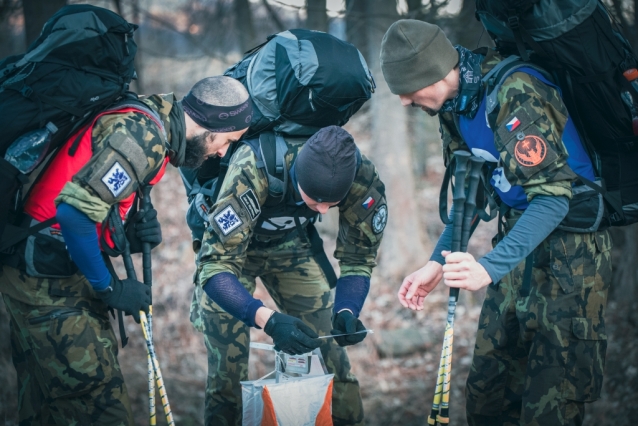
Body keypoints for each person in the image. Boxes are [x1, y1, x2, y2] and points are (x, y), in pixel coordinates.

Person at [380, 20, 612, 426]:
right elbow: (472, 194)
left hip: (571, 261)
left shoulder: (513, 91)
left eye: (407, 88)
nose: (403, 101)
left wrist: (486, 267)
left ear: (433, 72)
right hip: (515, 252)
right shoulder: (454, 106)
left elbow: (553, 198)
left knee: (550, 406)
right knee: (488, 396)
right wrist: (437, 263)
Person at [0, 76, 252, 425]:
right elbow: (73, 213)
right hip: (47, 280)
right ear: (210, 124)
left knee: (46, 407)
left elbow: (87, 199)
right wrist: (109, 288)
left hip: (40, 268)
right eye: (227, 141)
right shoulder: (143, 135)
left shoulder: (151, 119)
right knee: (100, 406)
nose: (223, 152)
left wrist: (126, 237)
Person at [186, 125, 387, 426]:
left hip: (291, 244)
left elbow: (358, 258)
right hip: (232, 255)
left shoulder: (360, 176)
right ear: (297, 177)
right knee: (227, 374)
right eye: (314, 198)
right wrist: (269, 320)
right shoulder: (254, 167)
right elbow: (215, 268)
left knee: (331, 356)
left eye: (329, 204)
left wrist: (347, 309)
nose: (321, 208)